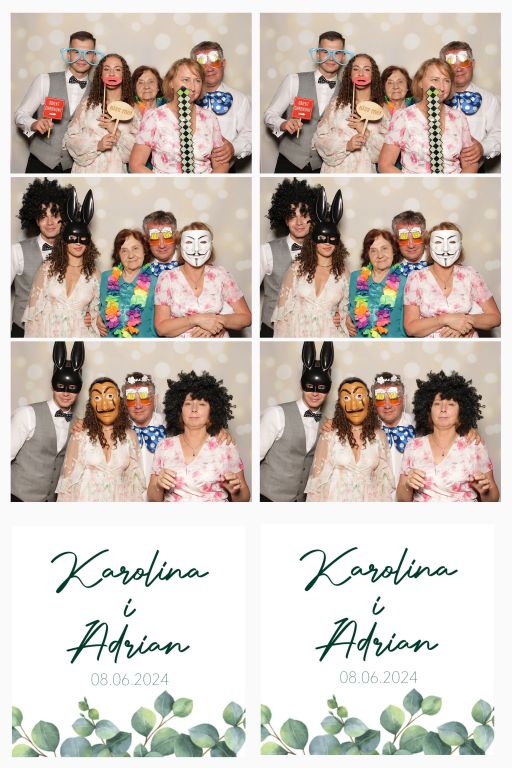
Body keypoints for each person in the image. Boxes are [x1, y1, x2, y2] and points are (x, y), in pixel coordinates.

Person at [148, 371, 250, 502]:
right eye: (188, 403)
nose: (194, 409)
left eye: (202, 404)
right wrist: (158, 485)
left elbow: (244, 498)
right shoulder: (164, 446)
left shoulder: (225, 446)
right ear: (179, 410)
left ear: (212, 412)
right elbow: (153, 499)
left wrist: (235, 491)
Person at [397, 371, 499, 502]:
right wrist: (407, 485)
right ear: (428, 410)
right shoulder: (413, 446)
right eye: (437, 403)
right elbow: (402, 500)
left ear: (461, 411)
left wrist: (484, 491)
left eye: (451, 404)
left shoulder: (474, 445)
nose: (443, 409)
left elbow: (493, 498)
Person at [14, 30, 100, 173]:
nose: (82, 58)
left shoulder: (98, 92)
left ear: (94, 57)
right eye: (76, 52)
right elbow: (20, 115)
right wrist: (34, 124)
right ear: (68, 54)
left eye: (88, 53)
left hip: (76, 167)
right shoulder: (44, 80)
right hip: (40, 162)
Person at [264, 30, 350, 173]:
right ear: (317, 54)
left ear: (343, 57)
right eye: (325, 52)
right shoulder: (294, 80)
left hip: (325, 166)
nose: (331, 58)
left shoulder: (346, 92)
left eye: (337, 53)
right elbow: (270, 115)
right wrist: (284, 124)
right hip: (290, 162)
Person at [260, 341, 333, 502]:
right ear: (302, 385)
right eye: (309, 386)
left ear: (328, 389)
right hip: (267, 497)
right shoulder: (276, 414)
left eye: (321, 388)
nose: (315, 393)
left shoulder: (327, 424)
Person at [11, 342, 84, 502]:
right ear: (52, 385)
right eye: (60, 386)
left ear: (79, 389)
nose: (66, 393)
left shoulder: (78, 424)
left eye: (72, 387)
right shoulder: (27, 414)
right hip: (17, 497)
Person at [23, 188, 100, 338]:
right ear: (64, 240)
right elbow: (33, 315)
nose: (78, 243)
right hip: (48, 334)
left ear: (88, 242)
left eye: (83, 239)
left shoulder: (95, 275)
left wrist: (92, 316)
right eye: (73, 238)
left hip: (80, 336)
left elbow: (99, 315)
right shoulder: (47, 268)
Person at [130, 58, 228, 174]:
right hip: (166, 183)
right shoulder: (154, 117)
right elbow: (136, 165)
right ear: (171, 83)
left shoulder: (209, 118)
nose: (192, 87)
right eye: (186, 80)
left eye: (197, 81)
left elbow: (221, 163)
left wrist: (209, 183)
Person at [273, 187, 349, 338]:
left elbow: (349, 314)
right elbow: (282, 315)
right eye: (322, 238)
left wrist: (340, 316)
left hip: (330, 336)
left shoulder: (343, 273)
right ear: (313, 240)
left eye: (332, 239)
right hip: (298, 335)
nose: (327, 243)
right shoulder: (297, 268)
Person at [379, 58, 477, 174]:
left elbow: (470, 163)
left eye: (446, 81)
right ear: (420, 82)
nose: (441, 87)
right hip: (415, 184)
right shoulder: (403, 117)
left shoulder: (458, 117)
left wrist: (458, 184)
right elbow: (385, 165)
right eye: (435, 80)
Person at [154, 221, 251, 338]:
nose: (196, 249)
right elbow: (161, 328)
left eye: (203, 242)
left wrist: (217, 322)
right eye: (189, 242)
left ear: (210, 245)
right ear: (180, 246)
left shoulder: (221, 275)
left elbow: (246, 317)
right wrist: (196, 320)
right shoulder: (167, 278)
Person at [404, 221, 501, 338]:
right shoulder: (416, 278)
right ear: (428, 247)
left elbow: (495, 318)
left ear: (460, 246)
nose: (445, 249)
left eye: (452, 242)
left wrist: (466, 322)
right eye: (438, 242)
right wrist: (445, 319)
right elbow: (410, 328)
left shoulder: (470, 274)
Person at [57, 377, 146, 502]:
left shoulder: (131, 436)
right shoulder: (80, 435)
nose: (104, 405)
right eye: (97, 398)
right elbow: (67, 486)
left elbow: (134, 486)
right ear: (91, 405)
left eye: (110, 396)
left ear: (119, 400)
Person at [306, 376, 394, 502]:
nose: (353, 405)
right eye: (346, 398)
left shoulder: (380, 436)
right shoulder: (329, 434)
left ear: (369, 400)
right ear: (340, 405)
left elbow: (384, 485)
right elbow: (316, 484)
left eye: (359, 396)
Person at [12, 178, 70, 337]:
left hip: (60, 330)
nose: (50, 222)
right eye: (43, 216)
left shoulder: (74, 251)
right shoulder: (17, 251)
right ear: (36, 219)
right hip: (23, 331)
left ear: (63, 218)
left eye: (55, 214)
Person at [260, 178, 318, 337]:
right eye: (292, 216)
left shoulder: (323, 251)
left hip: (309, 329)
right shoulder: (266, 251)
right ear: (285, 219)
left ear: (313, 217)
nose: (299, 222)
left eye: (304, 215)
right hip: (272, 330)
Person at [64, 53, 140, 173]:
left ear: (124, 75)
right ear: (101, 74)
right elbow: (70, 138)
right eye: (106, 69)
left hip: (115, 172)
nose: (111, 73)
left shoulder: (132, 108)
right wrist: (98, 145)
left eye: (117, 69)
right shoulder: (87, 103)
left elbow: (139, 151)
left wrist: (116, 132)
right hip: (86, 172)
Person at [313, 53, 388, 173]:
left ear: (373, 75)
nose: (361, 73)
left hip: (364, 173)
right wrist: (347, 145)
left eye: (366, 69)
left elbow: (387, 152)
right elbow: (319, 139)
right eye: (356, 69)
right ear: (350, 74)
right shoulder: (336, 104)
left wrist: (365, 131)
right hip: (335, 172)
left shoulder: (381, 109)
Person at [440, 41, 500, 171]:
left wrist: (483, 148)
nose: (458, 69)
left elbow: (500, 133)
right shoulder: (433, 99)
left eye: (464, 62)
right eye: (452, 64)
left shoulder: (490, 100)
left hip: (475, 172)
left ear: (472, 64)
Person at [191, 41, 252, 171]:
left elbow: (249, 133)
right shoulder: (184, 98)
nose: (209, 68)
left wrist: (233, 148)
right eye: (202, 64)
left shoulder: (240, 99)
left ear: (223, 63)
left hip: (226, 170)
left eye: (214, 62)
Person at [347, 228, 406, 338]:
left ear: (393, 251)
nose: (380, 255)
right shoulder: (355, 278)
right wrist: (345, 317)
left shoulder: (405, 282)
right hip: (359, 345)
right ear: (367, 254)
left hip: (394, 345)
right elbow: (347, 308)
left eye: (384, 248)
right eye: (373, 251)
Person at [99, 228, 157, 338]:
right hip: (110, 345)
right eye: (124, 251)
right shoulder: (106, 278)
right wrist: (95, 317)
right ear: (118, 254)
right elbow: (96, 307)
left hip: (144, 345)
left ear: (144, 250)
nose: (131, 255)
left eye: (135, 248)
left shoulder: (157, 282)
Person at [142, 210, 180, 278]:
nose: (162, 245)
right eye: (154, 239)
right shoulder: (141, 268)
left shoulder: (189, 263)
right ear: (147, 240)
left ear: (175, 236)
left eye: (167, 237)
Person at [391, 210, 429, 277]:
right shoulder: (391, 270)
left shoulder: (439, 264)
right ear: (395, 239)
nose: (411, 245)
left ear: (425, 235)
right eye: (404, 239)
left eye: (416, 237)